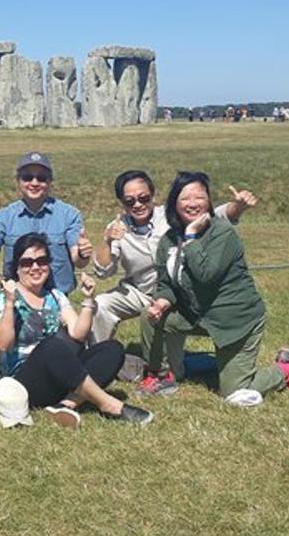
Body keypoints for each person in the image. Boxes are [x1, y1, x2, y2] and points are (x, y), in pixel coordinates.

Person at [89, 169, 258, 396]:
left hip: (177, 293)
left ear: (153, 195)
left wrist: (239, 206)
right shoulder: (118, 226)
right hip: (138, 290)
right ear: (122, 202)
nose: (138, 204)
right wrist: (107, 241)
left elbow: (215, 214)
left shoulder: (173, 215)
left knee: (177, 371)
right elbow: (103, 272)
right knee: (101, 304)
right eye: (130, 201)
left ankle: (194, 363)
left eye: (144, 198)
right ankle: (96, 365)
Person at [145, 171, 289, 405]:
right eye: (185, 198)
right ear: (174, 204)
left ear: (209, 201)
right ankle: (161, 376)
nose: (193, 204)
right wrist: (162, 301)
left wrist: (190, 238)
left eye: (199, 197)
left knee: (234, 393)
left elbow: (206, 275)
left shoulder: (222, 232)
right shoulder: (169, 239)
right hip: (197, 314)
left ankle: (287, 370)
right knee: (149, 317)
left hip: (235, 320)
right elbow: (166, 282)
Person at [0, 233, 153, 427]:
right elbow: (2, 344)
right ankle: (109, 404)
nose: (35, 267)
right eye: (27, 262)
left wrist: (88, 300)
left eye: (42, 261)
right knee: (52, 347)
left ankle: (66, 404)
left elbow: (78, 334)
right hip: (23, 383)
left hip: (59, 375)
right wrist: (10, 303)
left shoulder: (55, 296)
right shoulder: (5, 296)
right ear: (17, 268)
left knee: (113, 350)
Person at [0, 151, 92, 295]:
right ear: (18, 180)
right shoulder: (4, 216)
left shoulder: (69, 215)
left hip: (58, 298)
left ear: (50, 181)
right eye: (27, 177)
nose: (34, 183)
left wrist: (83, 253)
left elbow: (78, 261)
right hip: (15, 297)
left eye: (41, 178)